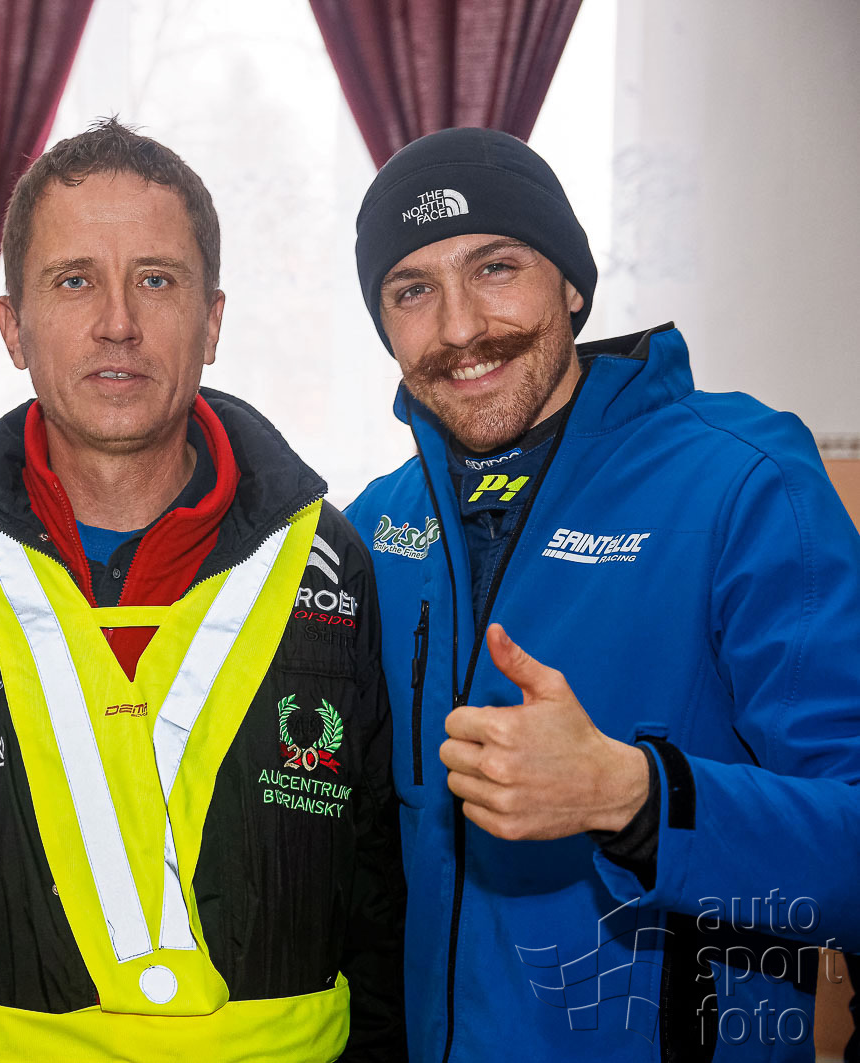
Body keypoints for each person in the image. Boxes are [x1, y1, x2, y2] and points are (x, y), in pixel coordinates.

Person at [0, 119, 405, 1063]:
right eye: (73, 280)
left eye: (156, 280)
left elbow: (380, 891)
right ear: (13, 327)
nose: (117, 321)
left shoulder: (331, 562)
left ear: (211, 321)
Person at [344, 126, 860, 1062]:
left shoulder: (742, 483)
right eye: (412, 290)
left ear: (571, 285)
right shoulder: (375, 526)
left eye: (494, 267)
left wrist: (637, 797)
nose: (459, 327)